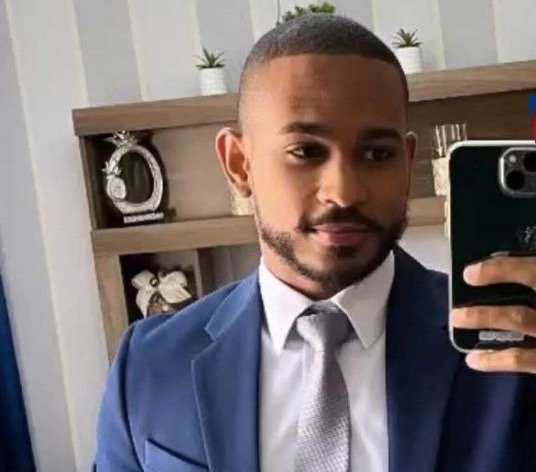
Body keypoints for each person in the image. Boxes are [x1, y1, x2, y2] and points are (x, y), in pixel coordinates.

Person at [95, 15, 536, 471]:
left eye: (377, 154)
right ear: (240, 165)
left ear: (406, 163)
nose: (343, 192)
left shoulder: (512, 345)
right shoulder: (149, 366)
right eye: (306, 151)